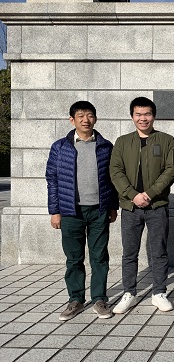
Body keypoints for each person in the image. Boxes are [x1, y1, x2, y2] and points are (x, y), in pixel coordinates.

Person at [46, 100, 118, 321]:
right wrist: (54, 211)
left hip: (99, 210)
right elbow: (52, 180)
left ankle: (99, 299)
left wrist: (113, 206)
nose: (86, 120)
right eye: (81, 116)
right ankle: (75, 299)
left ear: (95, 118)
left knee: (100, 257)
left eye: (90, 115)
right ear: (72, 120)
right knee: (74, 258)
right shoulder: (60, 147)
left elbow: (113, 178)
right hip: (70, 211)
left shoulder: (105, 146)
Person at [110, 97, 174, 314]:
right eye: (138, 114)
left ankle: (159, 292)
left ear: (153, 116)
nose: (143, 118)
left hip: (156, 206)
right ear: (132, 116)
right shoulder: (122, 142)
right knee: (129, 253)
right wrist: (133, 195)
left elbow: (171, 170)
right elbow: (115, 171)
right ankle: (129, 292)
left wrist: (149, 194)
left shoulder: (166, 140)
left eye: (147, 114)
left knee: (159, 251)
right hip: (130, 207)